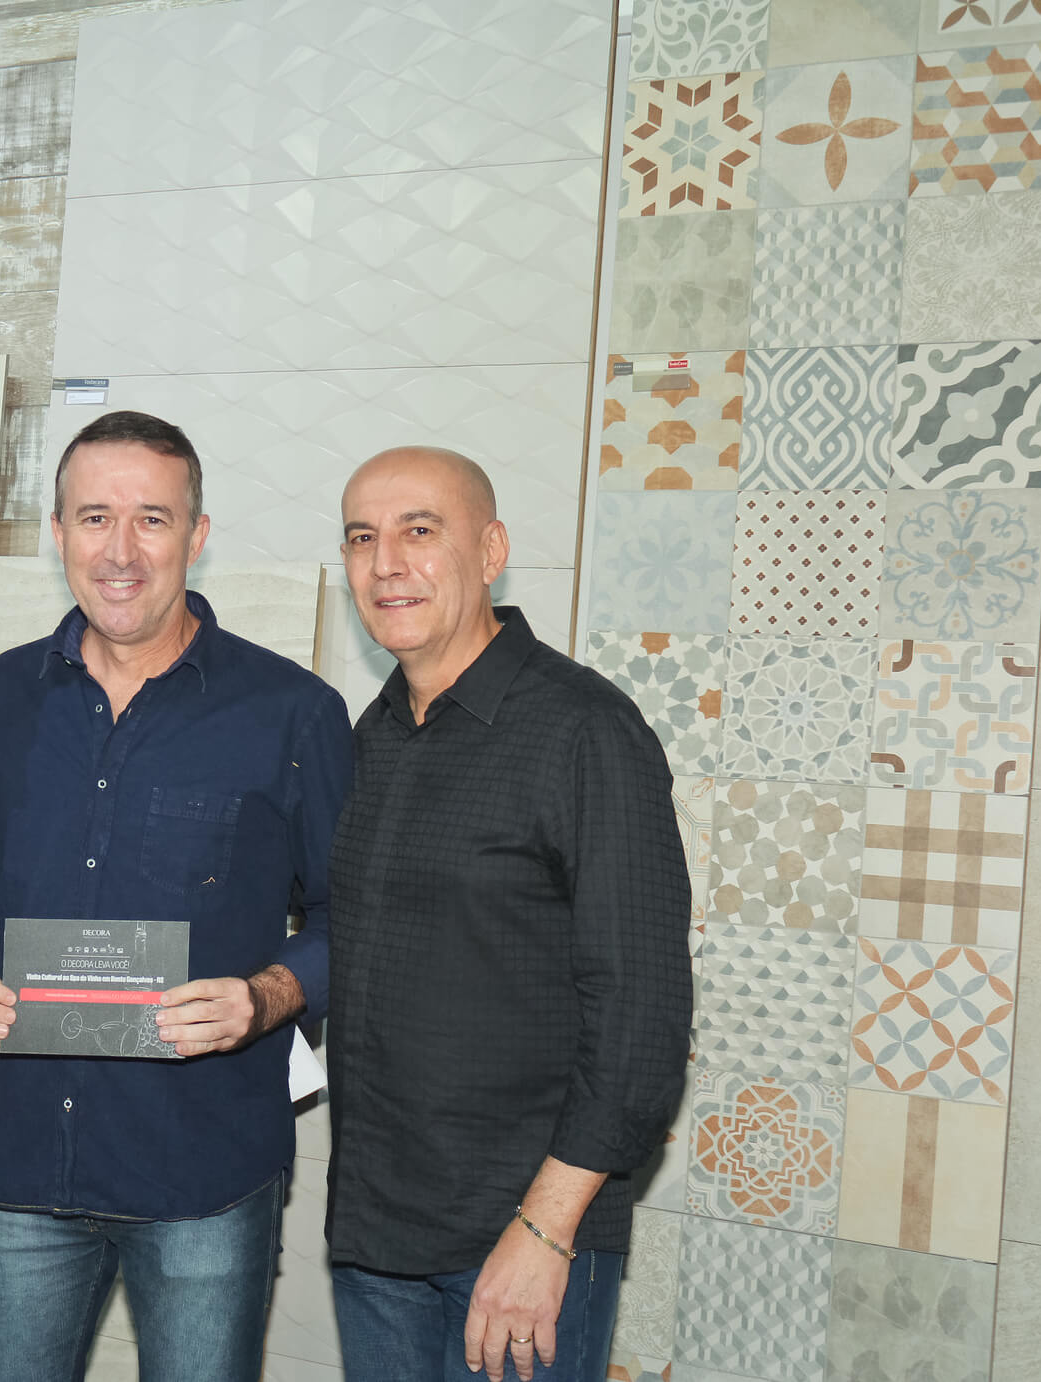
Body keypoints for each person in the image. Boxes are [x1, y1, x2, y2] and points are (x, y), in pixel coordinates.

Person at [0, 410, 353, 1382]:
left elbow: (351, 918)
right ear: (58, 532)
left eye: (152, 519)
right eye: (94, 518)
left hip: (204, 1171)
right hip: (24, 1163)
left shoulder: (293, 713)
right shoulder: (3, 695)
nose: (120, 551)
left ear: (196, 535)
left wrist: (267, 996)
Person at [325, 446, 690, 1382]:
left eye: (419, 530)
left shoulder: (585, 730)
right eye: (362, 538)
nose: (386, 563)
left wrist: (545, 1229)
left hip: (521, 1244)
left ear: (490, 552)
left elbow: (642, 1017)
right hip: (375, 1238)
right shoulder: (372, 737)